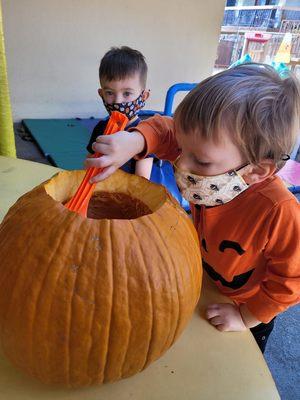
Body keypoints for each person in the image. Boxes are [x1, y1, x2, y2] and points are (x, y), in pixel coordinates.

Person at [85, 63, 300, 352]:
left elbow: (292, 279)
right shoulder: (208, 149)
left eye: (200, 161)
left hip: (247, 307)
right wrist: (134, 141)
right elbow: (166, 131)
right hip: (205, 280)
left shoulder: (279, 211)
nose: (181, 163)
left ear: (257, 171)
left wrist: (245, 316)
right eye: (182, 149)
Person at [87, 46, 153, 179]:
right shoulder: (101, 127)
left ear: (144, 96)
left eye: (127, 93)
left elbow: (142, 182)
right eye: (110, 93)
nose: (118, 101)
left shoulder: (144, 135)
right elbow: (89, 165)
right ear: (101, 94)